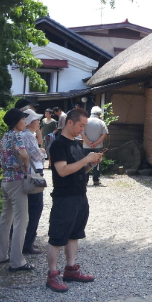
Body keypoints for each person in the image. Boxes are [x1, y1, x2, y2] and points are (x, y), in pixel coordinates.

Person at [46, 108, 103, 292]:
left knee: (75, 233)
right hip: (64, 197)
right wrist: (85, 159)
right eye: (80, 125)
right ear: (69, 122)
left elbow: (79, 169)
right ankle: (52, 274)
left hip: (80, 194)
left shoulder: (77, 144)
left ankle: (70, 269)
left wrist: (90, 164)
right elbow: (62, 171)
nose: (82, 129)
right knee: (57, 236)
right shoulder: (58, 144)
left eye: (84, 126)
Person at [0, 109, 35, 272]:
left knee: (5, 219)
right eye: (23, 119)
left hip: (6, 181)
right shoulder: (17, 136)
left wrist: (3, 164)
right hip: (17, 181)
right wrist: (26, 167)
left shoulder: (5, 137)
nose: (25, 122)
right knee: (21, 220)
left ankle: (0, 255)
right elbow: (24, 154)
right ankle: (17, 261)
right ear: (16, 122)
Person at [22, 109, 46, 255]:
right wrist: (43, 152)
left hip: (26, 175)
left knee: (26, 210)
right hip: (33, 176)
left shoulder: (23, 135)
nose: (38, 122)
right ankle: (28, 242)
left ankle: (25, 240)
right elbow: (37, 156)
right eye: (36, 120)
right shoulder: (28, 136)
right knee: (35, 209)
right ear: (30, 122)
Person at [81, 106, 109, 186]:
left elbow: (82, 133)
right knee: (97, 163)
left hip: (86, 146)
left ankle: (85, 180)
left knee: (86, 162)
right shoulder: (101, 122)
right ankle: (96, 180)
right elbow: (105, 134)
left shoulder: (86, 121)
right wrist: (96, 143)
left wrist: (88, 142)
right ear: (99, 114)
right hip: (98, 146)